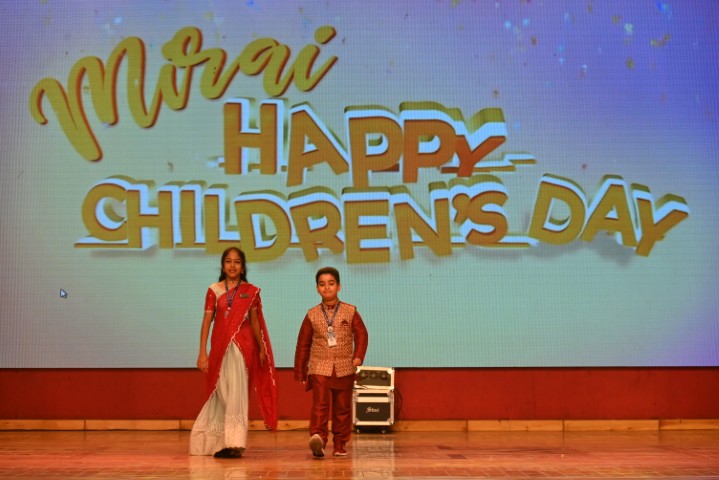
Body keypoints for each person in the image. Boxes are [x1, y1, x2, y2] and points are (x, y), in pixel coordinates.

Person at [189, 247, 278, 458]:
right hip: (220, 349)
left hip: (242, 350)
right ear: (223, 266)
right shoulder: (214, 290)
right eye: (228, 261)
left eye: (237, 262)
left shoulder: (250, 291)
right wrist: (202, 352)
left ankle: (234, 443)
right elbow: (206, 322)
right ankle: (214, 442)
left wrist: (262, 348)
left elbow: (255, 323)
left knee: (236, 394)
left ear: (243, 267)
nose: (232, 265)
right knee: (220, 393)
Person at [294, 266, 369, 458]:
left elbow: (362, 335)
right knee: (320, 406)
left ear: (339, 286)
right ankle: (318, 438)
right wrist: (300, 370)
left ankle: (340, 443)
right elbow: (303, 343)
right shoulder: (311, 314)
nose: (327, 287)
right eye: (322, 284)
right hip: (319, 366)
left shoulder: (350, 311)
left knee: (342, 408)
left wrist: (358, 356)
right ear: (317, 288)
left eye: (331, 283)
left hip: (345, 367)